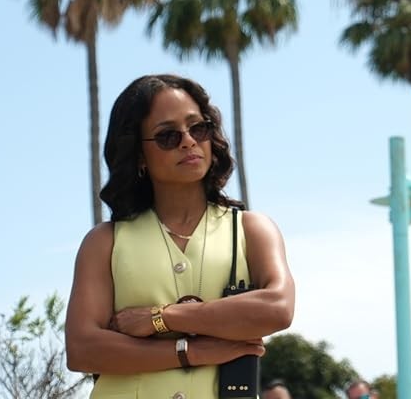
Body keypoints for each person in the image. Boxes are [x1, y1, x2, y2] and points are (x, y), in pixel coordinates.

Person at [65, 74, 296, 398]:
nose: (188, 141)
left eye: (197, 128)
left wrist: (161, 318)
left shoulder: (250, 229)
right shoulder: (105, 242)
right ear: (139, 154)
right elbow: (82, 349)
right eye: (167, 136)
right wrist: (191, 352)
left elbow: (278, 307)